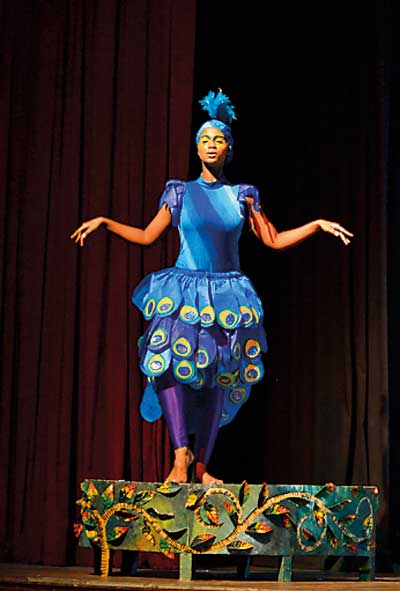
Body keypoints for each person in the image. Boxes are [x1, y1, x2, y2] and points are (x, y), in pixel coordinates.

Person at [70, 90, 353, 485]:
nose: (211, 145)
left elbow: (272, 240)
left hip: (226, 294)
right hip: (184, 290)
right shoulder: (179, 192)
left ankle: (202, 467)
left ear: (228, 149)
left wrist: (317, 225)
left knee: (218, 375)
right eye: (204, 139)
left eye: (218, 140)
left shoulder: (242, 196)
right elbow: (148, 235)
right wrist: (105, 222)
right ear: (197, 147)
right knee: (166, 364)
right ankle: (180, 456)